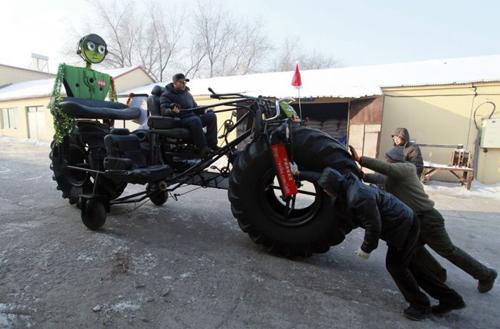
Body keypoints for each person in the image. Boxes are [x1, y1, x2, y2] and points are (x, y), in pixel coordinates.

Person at [312, 167, 465, 321]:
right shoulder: (347, 184)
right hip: (403, 222)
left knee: (396, 266)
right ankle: (451, 299)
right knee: (412, 267)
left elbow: (374, 225)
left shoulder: (357, 197)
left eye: (325, 189)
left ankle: (420, 305)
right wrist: (298, 173)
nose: (325, 192)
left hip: (403, 226)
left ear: (333, 186)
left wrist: (366, 248)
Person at [350, 145, 497, 294]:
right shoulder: (394, 177)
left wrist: (360, 159)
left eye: (389, 160)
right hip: (414, 221)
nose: (387, 162)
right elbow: (380, 178)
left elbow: (387, 170)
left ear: (396, 161)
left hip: (428, 219)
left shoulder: (407, 169)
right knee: (414, 249)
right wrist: (363, 176)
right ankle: (438, 274)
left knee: (448, 250)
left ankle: (485, 274)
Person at [159, 73, 218, 157]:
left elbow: (195, 108)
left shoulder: (187, 94)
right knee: (195, 120)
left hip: (191, 118)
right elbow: (164, 110)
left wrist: (205, 110)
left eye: (184, 82)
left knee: (211, 116)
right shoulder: (166, 95)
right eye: (181, 82)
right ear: (174, 83)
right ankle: (203, 148)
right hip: (179, 120)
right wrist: (172, 111)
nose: (184, 84)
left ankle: (212, 144)